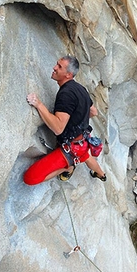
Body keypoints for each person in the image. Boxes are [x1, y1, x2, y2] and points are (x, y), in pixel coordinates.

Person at [23, 55, 106, 184]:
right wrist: (76, 120)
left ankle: (67, 167)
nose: (54, 67)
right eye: (57, 64)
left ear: (68, 75)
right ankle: (102, 175)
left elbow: (58, 128)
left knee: (30, 178)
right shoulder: (80, 89)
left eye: (59, 67)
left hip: (72, 147)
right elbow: (93, 111)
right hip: (82, 141)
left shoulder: (66, 94)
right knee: (85, 156)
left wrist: (38, 104)